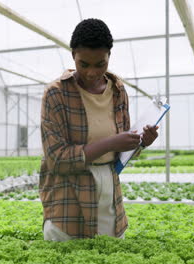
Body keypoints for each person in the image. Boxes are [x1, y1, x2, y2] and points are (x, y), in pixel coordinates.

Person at [39, 18, 159, 241]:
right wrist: (113, 142)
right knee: (67, 250)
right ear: (73, 54)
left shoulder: (117, 90)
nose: (92, 72)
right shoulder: (56, 94)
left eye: (100, 64)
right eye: (84, 64)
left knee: (110, 249)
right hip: (69, 195)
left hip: (109, 192)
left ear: (109, 56)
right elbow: (56, 159)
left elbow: (121, 151)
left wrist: (141, 142)